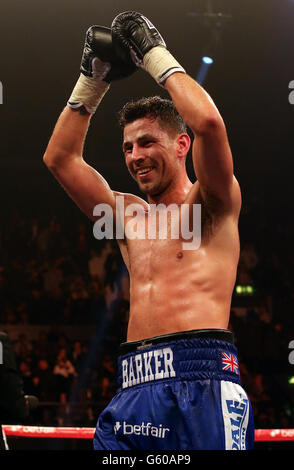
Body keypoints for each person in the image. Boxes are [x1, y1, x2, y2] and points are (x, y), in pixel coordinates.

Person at [43, 12, 254, 450]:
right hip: (134, 385)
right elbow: (60, 159)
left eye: (146, 142)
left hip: (202, 380)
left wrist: (153, 53)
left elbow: (210, 125)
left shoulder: (212, 205)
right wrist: (93, 79)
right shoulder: (128, 218)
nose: (134, 155)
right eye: (127, 147)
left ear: (181, 145)